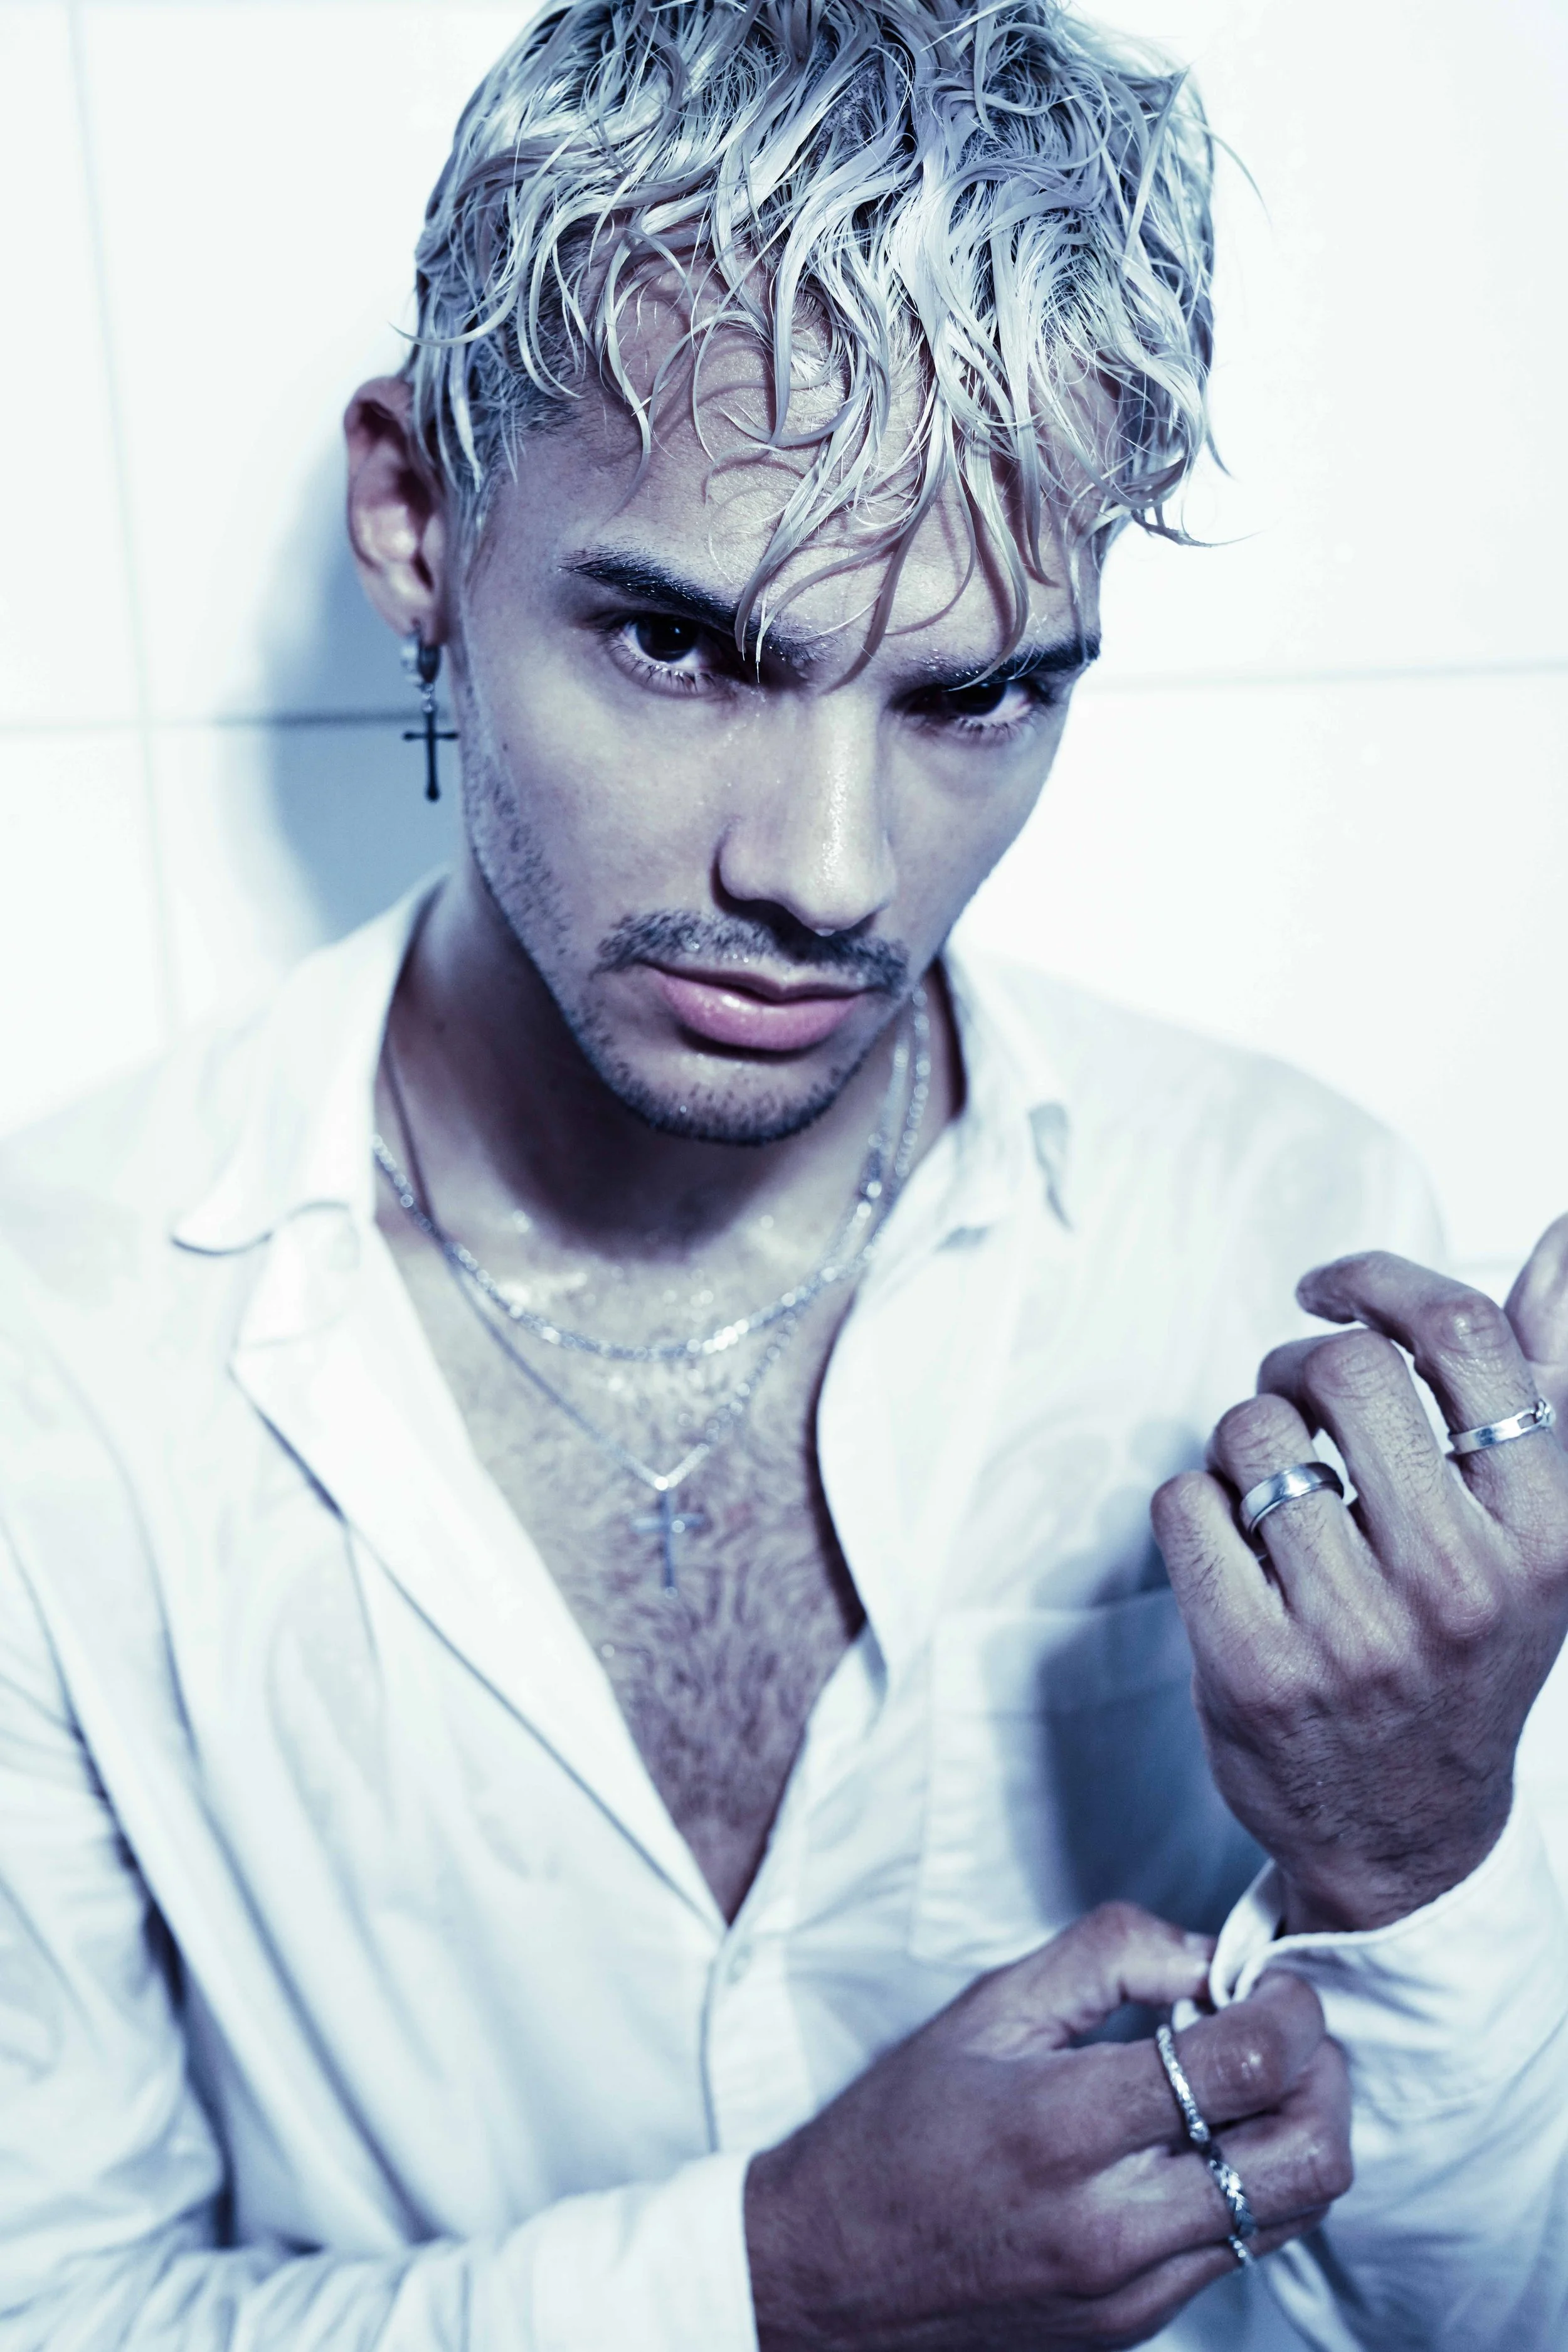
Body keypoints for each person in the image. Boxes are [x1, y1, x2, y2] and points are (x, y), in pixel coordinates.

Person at [0, 2, 1563, 2345]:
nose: (830, 872)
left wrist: (1406, 1847)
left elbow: (1494, 2306)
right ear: (419, 516)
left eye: (970, 697)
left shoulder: (1265, 1209)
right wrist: (769, 2279)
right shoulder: (64, 1361)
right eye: (679, 644)